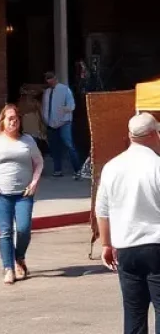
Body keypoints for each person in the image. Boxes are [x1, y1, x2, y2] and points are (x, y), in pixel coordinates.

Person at [97, 112, 160, 334]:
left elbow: (102, 211)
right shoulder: (157, 165)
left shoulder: (112, 167)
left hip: (126, 248)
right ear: (154, 134)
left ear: (130, 135)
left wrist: (106, 244)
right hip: (156, 246)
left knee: (134, 313)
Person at [0, 103, 44, 285]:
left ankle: (19, 257)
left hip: (23, 194)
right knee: (6, 232)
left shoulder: (28, 140)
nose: (13, 122)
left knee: (23, 229)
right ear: (3, 121)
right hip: (0, 194)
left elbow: (39, 162)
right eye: (10, 119)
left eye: (16, 118)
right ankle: (8, 268)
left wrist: (34, 182)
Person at [41, 70, 81, 178]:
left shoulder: (65, 90)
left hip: (64, 123)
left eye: (50, 77)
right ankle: (57, 170)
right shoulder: (47, 92)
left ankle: (78, 170)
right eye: (47, 78)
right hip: (50, 123)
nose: (48, 80)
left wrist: (63, 110)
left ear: (55, 78)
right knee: (54, 148)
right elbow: (45, 107)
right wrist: (45, 119)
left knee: (69, 145)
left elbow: (72, 105)